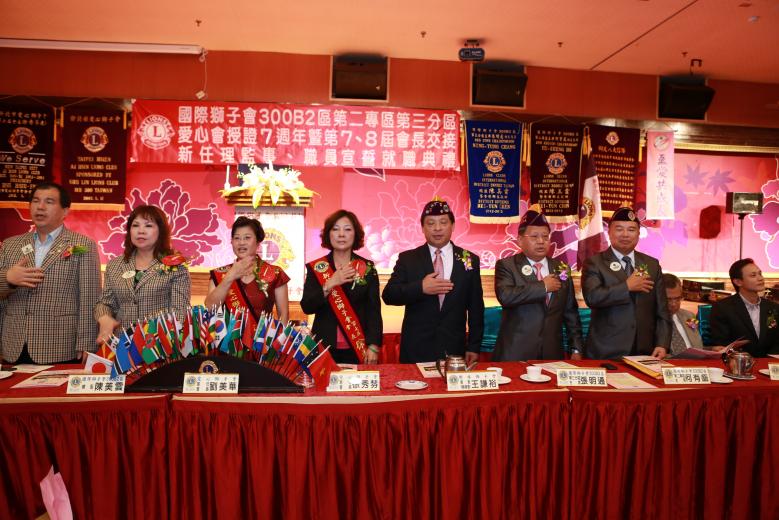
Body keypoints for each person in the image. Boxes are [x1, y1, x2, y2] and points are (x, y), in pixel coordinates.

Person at [0, 182, 101, 364]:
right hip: (13, 345)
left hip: (60, 346)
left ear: (65, 211)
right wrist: (8, 278)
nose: (40, 207)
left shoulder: (82, 245)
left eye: (49, 202)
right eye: (35, 201)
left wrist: (87, 343)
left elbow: (89, 298)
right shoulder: (10, 245)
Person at [382, 197, 484, 364]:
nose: (437, 228)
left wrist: (473, 346)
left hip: (454, 347)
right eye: (430, 223)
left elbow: (476, 307)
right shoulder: (408, 258)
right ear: (422, 228)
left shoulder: (469, 259)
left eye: (443, 222)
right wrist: (420, 288)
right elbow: (389, 295)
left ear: (453, 226)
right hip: (415, 348)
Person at [581, 207, 671, 359]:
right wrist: (627, 287)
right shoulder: (595, 263)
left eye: (631, 230)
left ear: (638, 233)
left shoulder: (652, 265)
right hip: (606, 351)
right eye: (619, 229)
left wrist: (662, 343)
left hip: (645, 351)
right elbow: (592, 297)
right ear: (609, 232)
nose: (625, 234)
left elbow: (662, 310)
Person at [493, 209, 583, 361]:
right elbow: (505, 296)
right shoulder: (507, 266)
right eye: (534, 236)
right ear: (520, 240)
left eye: (545, 236)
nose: (541, 241)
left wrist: (576, 347)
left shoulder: (561, 268)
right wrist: (543, 287)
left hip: (552, 353)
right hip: (516, 352)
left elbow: (570, 312)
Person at [95, 205, 191, 344]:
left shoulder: (175, 265)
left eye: (148, 225)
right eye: (135, 225)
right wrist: (104, 318)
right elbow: (105, 303)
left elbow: (180, 312)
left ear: (161, 231)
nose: (140, 231)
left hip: (159, 345)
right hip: (122, 344)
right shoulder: (115, 265)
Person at [301, 210, 382, 364]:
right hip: (324, 346)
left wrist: (373, 346)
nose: (341, 234)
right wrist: (330, 284)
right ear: (328, 234)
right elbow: (307, 307)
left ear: (356, 234)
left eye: (347, 229)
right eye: (335, 229)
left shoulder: (367, 268)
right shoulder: (317, 267)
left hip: (358, 346)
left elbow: (373, 310)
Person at [205, 216, 289, 326]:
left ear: (258, 242)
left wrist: (279, 336)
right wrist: (230, 276)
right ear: (231, 242)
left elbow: (284, 316)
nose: (241, 242)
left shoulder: (275, 273)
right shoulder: (219, 274)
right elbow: (210, 308)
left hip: (261, 336)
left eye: (247, 237)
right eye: (237, 238)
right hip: (227, 337)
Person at [710, 258, 779, 357]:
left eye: (760, 274)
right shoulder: (722, 308)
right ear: (738, 282)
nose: (760, 278)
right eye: (753, 275)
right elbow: (721, 345)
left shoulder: (773, 307)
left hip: (769, 363)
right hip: (737, 362)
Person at [663, 273, 707, 356]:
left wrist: (712, 349)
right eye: (668, 299)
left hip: (696, 361)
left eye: (677, 299)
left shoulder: (689, 316)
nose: (673, 304)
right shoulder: (650, 322)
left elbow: (697, 345)